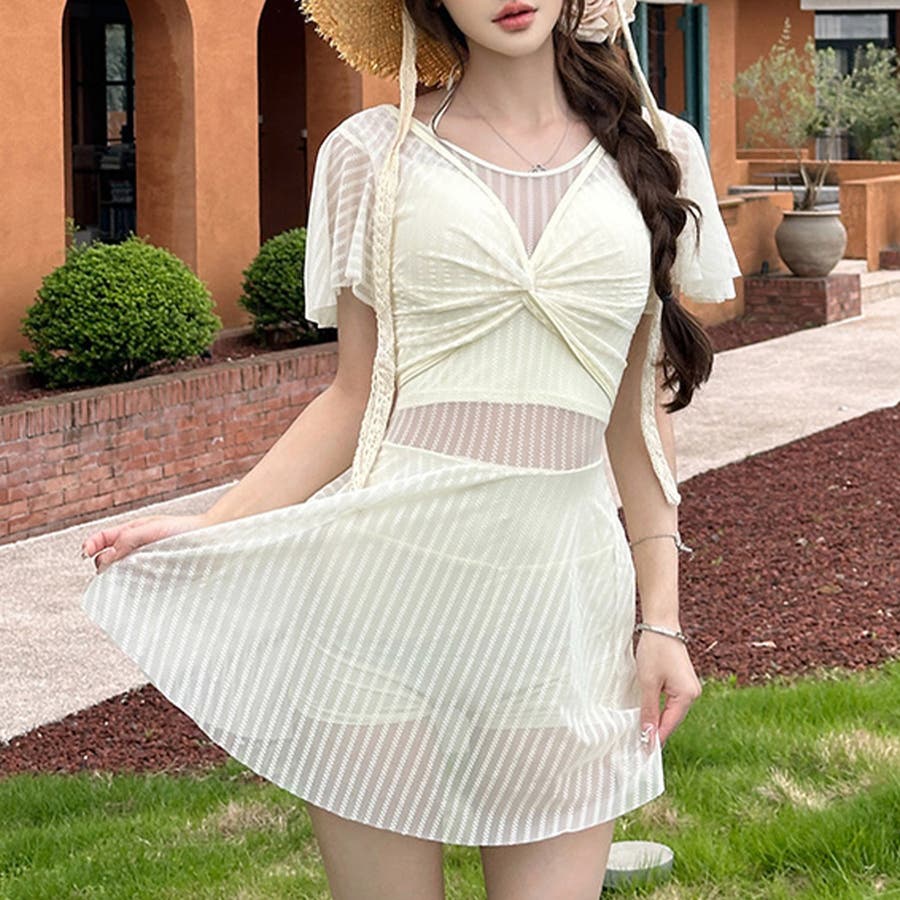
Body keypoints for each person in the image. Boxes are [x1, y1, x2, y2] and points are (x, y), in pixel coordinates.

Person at [79, 0, 742, 895]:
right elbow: (353, 398)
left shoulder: (661, 152)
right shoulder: (371, 154)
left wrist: (660, 619)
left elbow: (640, 421)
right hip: (380, 600)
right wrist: (214, 525)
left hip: (561, 610)